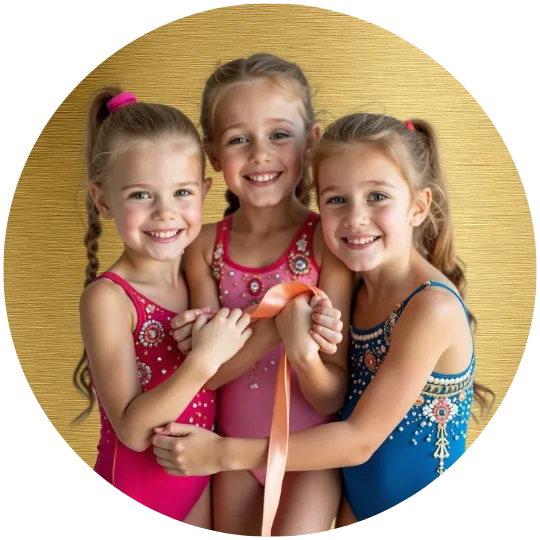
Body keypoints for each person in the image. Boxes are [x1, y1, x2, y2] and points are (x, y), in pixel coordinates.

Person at [151, 112, 495, 529]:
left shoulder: (431, 308)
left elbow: (359, 441)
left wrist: (224, 453)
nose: (355, 218)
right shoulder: (357, 289)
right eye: (336, 200)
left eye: (377, 197)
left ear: (419, 206)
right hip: (355, 505)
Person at [166, 53, 354, 536]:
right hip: (226, 449)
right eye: (237, 140)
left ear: (311, 144)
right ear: (212, 155)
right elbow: (206, 376)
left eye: (279, 134)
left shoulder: (327, 244)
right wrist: (274, 329)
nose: (259, 153)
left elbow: (331, 395)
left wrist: (303, 353)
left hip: (308, 454)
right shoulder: (204, 247)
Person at [72, 87, 254, 528]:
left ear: (205, 191)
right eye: (140, 195)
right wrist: (204, 358)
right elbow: (133, 432)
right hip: (136, 488)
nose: (165, 213)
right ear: (102, 200)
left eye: (181, 193)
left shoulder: (202, 275)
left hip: (198, 484)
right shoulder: (108, 298)